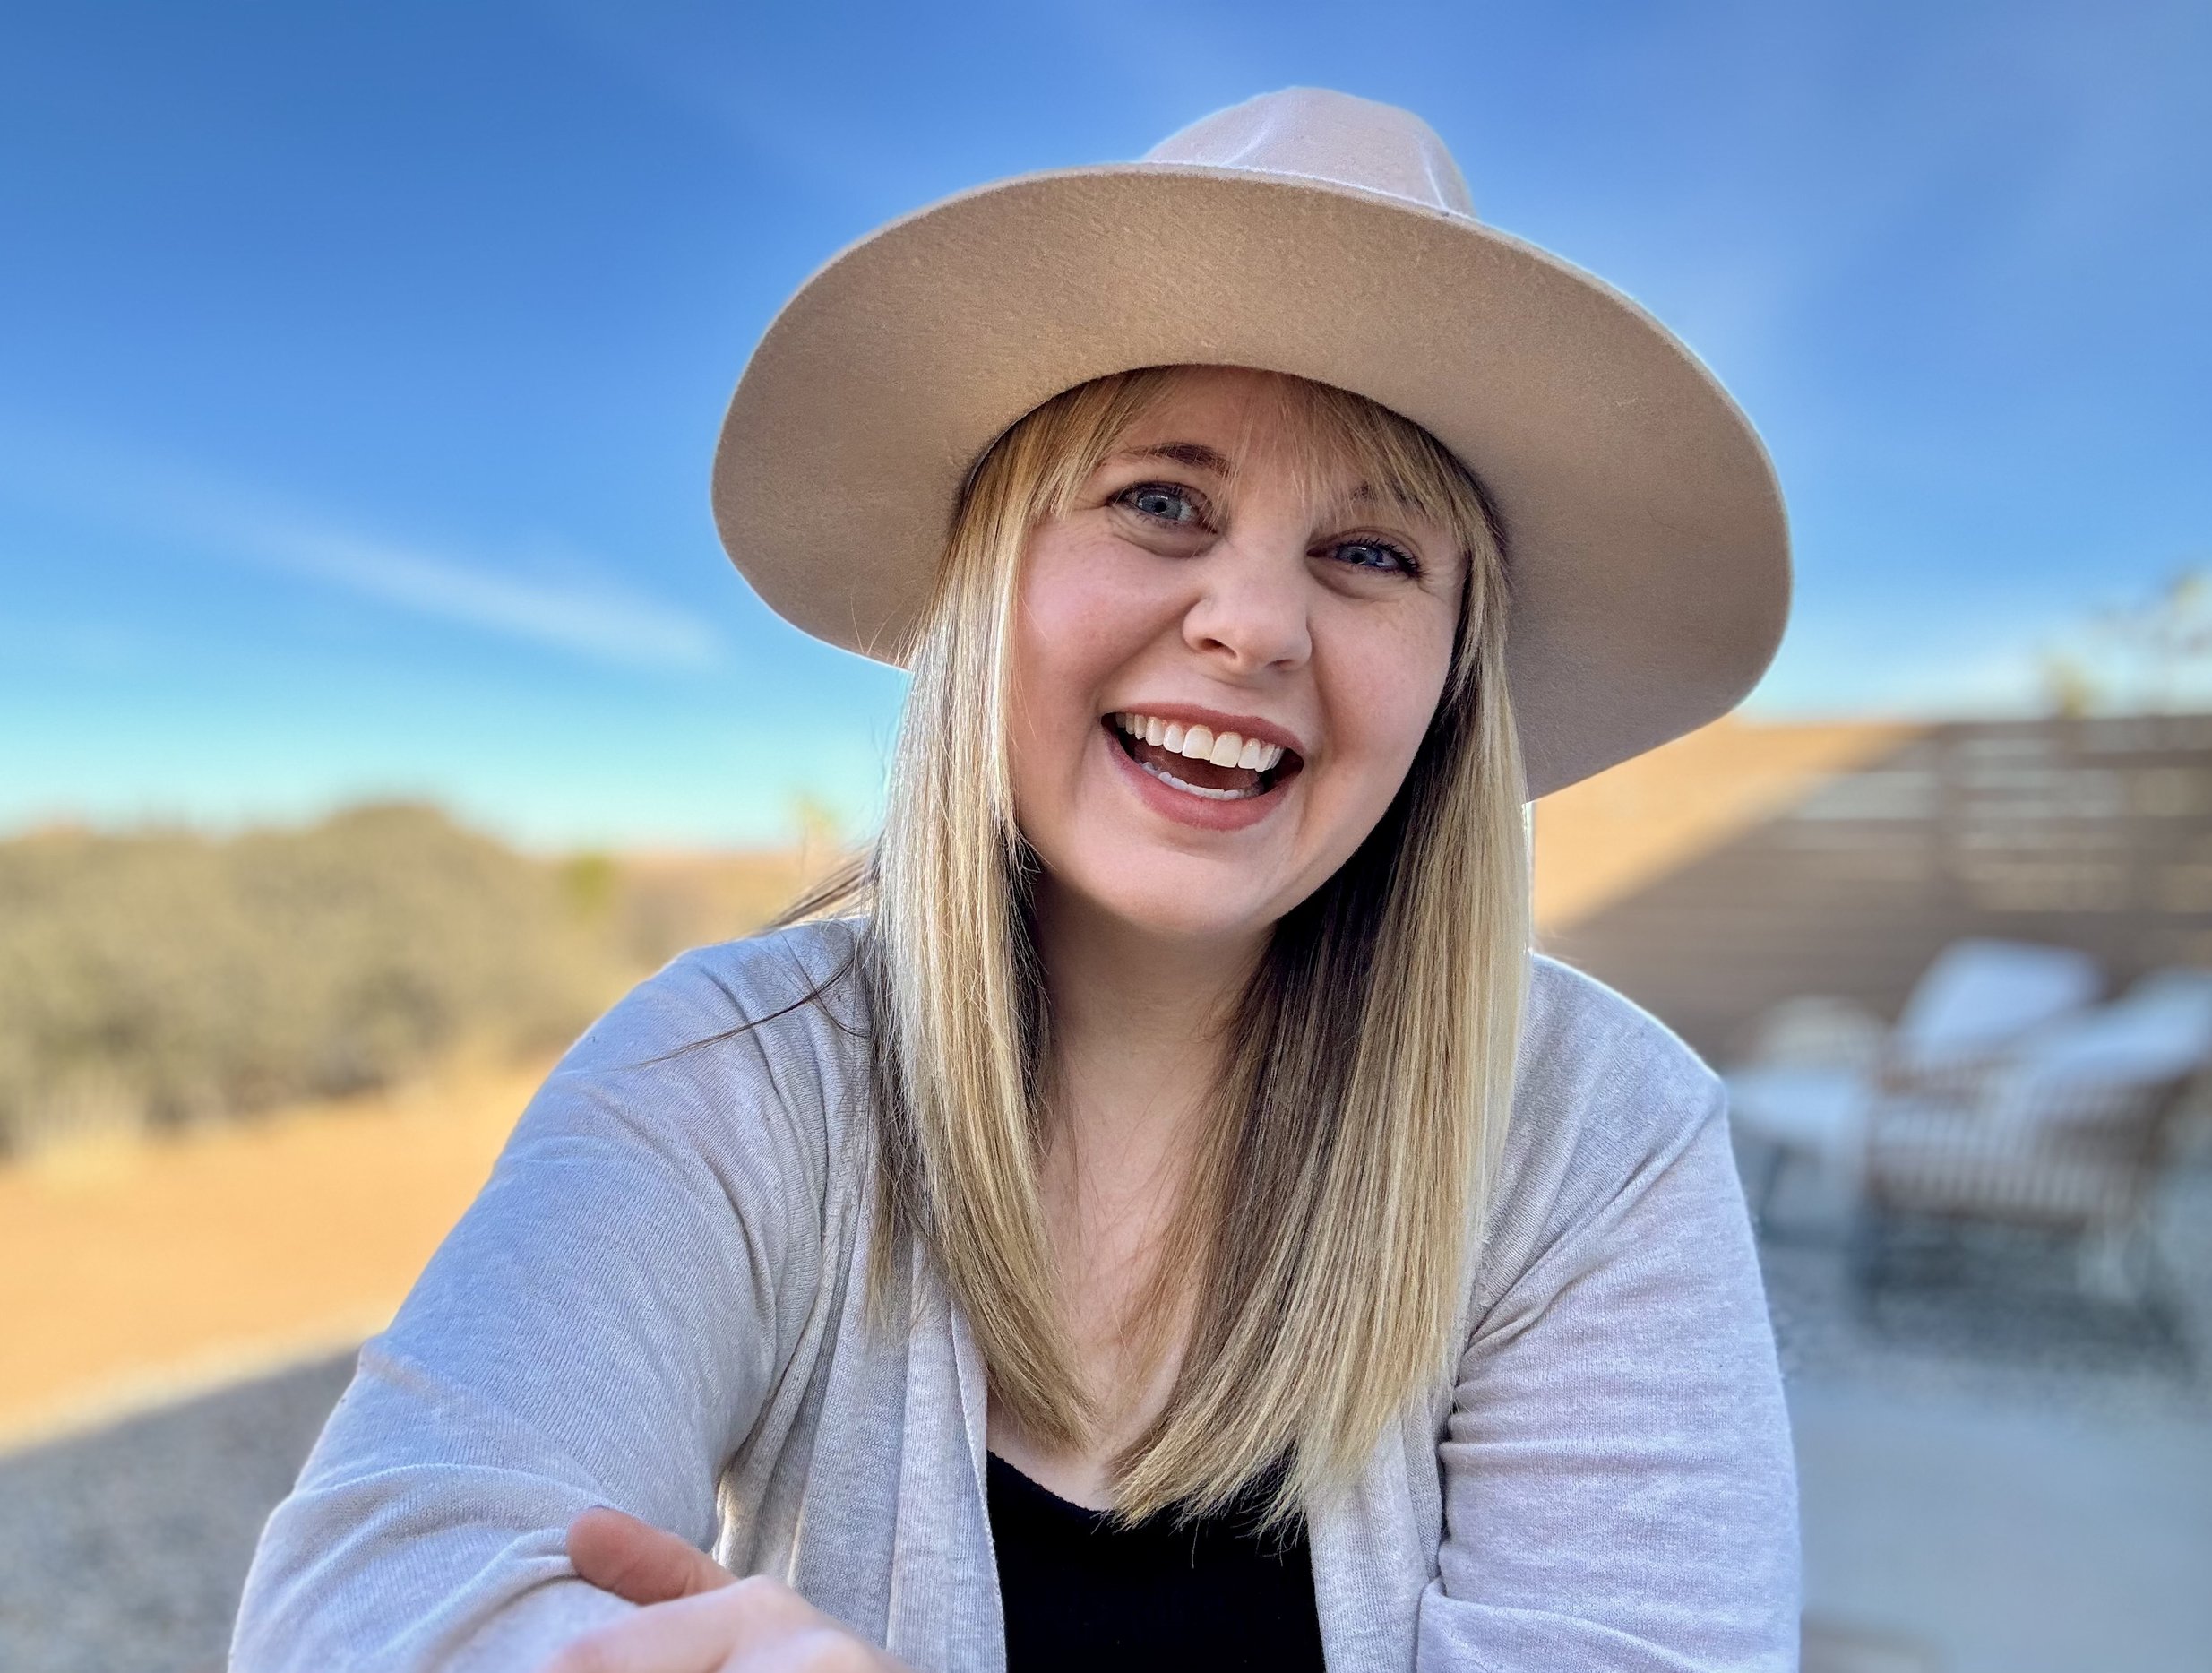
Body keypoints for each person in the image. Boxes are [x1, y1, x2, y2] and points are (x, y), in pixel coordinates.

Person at [232, 89, 1800, 1672]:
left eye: (1374, 554)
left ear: (1456, 674)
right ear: (992, 578)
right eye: (1161, 503)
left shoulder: (1592, 1137)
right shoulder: (735, 1072)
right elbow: (381, 1581)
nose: (1253, 626)